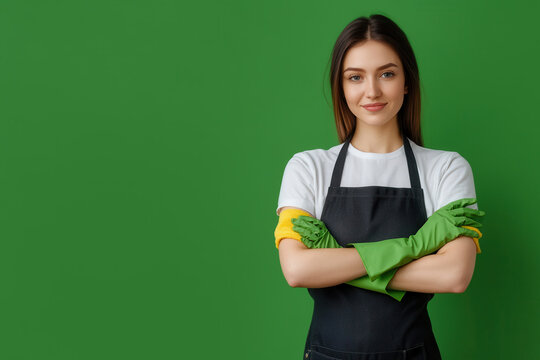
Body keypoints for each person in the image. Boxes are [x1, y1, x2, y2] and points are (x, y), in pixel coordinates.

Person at [273, 14, 486, 360]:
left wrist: (337, 259)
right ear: (341, 87)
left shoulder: (446, 168)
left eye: (387, 74)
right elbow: (297, 270)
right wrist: (417, 246)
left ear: (406, 82)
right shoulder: (308, 168)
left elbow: (454, 275)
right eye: (355, 77)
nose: (371, 91)